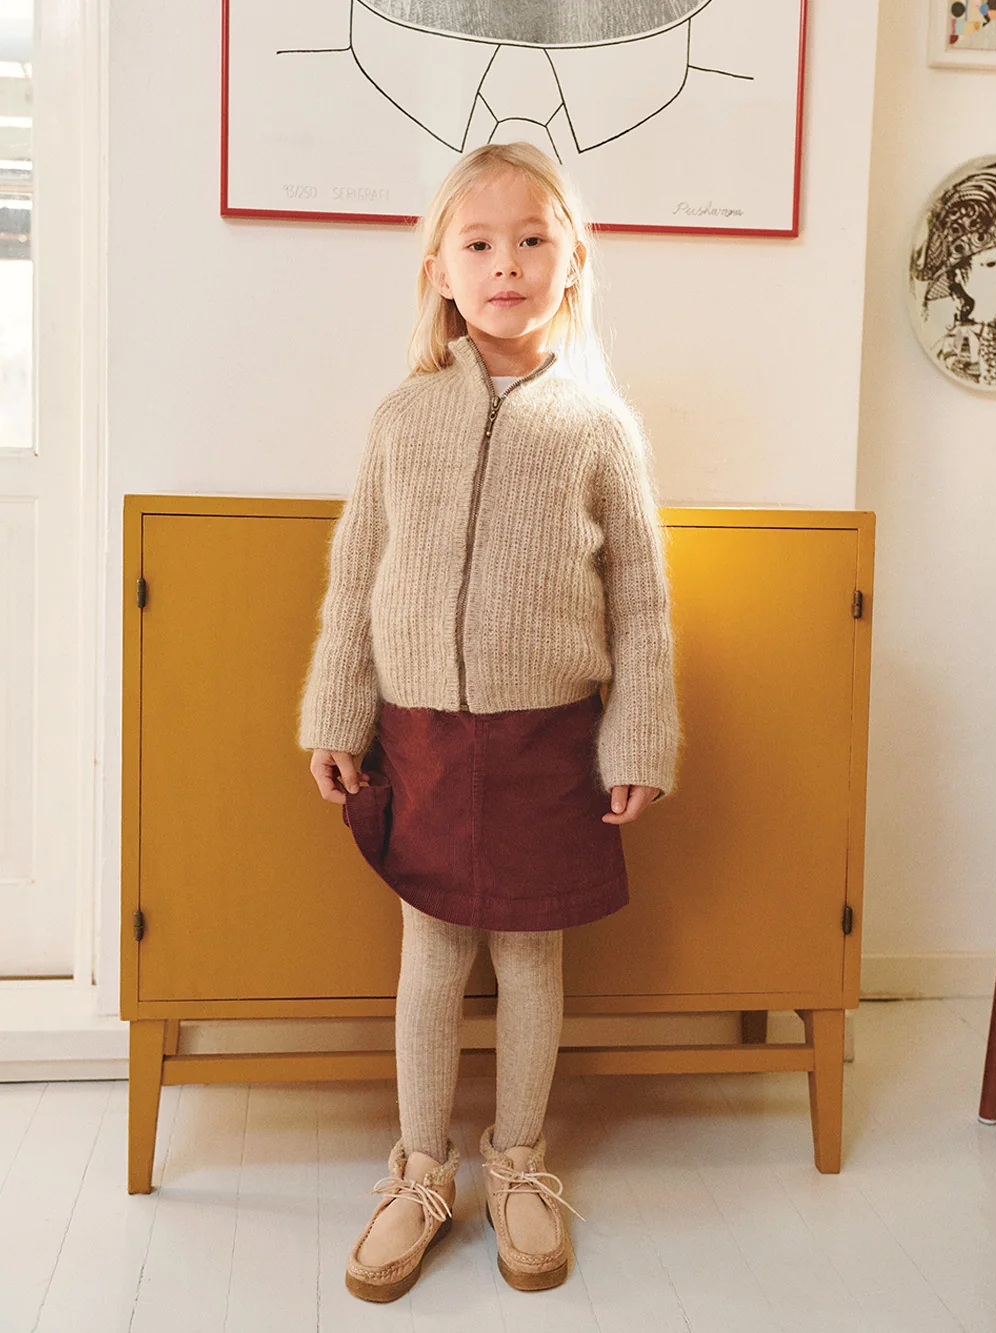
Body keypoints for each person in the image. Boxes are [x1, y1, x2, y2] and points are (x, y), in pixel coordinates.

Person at [297, 140, 682, 1302]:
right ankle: (421, 1173)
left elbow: (642, 600)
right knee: (429, 954)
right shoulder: (403, 417)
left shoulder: (597, 425)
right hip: (420, 730)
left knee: (529, 956)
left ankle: (517, 1162)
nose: (505, 262)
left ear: (572, 262)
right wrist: (336, 710)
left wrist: (638, 737)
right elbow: (357, 574)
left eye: (530, 240)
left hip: (546, 740)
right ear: (440, 271)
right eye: (477, 243)